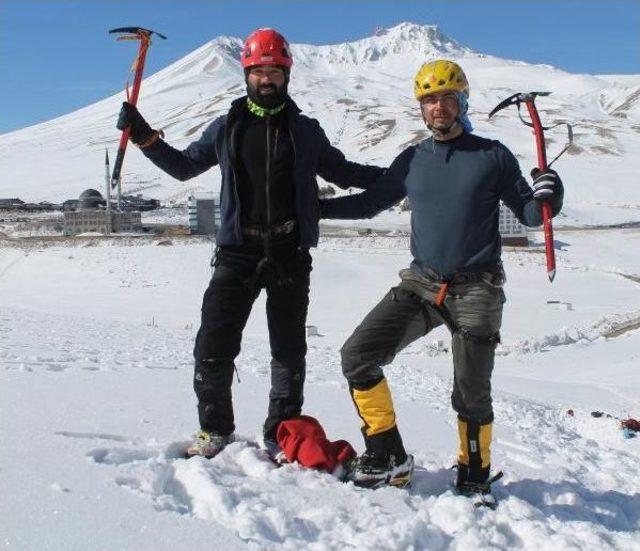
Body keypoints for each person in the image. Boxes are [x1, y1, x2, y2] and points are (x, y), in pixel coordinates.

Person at [116, 28, 383, 461]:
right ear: (247, 73)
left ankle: (282, 431)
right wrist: (145, 136)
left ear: (287, 75)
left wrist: (403, 174)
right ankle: (214, 429)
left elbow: (346, 172)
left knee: (289, 348)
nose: (266, 79)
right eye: (259, 71)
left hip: (290, 252)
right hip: (238, 250)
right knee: (213, 343)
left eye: (274, 71)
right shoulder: (227, 127)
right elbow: (184, 167)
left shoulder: (306, 131)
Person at [320, 60, 564, 491]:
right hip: (421, 283)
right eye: (429, 100)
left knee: (471, 393)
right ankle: (387, 454)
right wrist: (314, 208)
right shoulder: (413, 159)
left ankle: (473, 476)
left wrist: (550, 193)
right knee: (357, 355)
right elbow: (367, 203)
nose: (438, 107)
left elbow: (530, 213)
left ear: (461, 101)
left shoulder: (493, 156)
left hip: (477, 289)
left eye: (447, 97)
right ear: (421, 107)